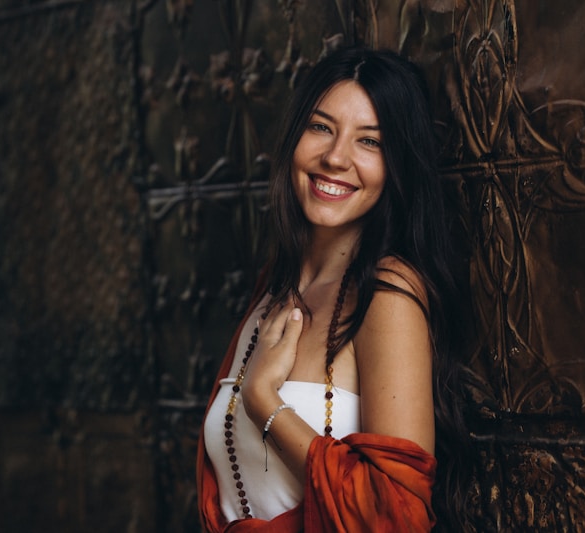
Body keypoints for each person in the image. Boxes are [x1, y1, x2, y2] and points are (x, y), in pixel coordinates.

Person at [197, 45, 474, 532]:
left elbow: (398, 514)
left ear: (397, 164)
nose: (335, 157)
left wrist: (263, 399)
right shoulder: (273, 288)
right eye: (321, 127)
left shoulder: (387, 295)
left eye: (371, 141)